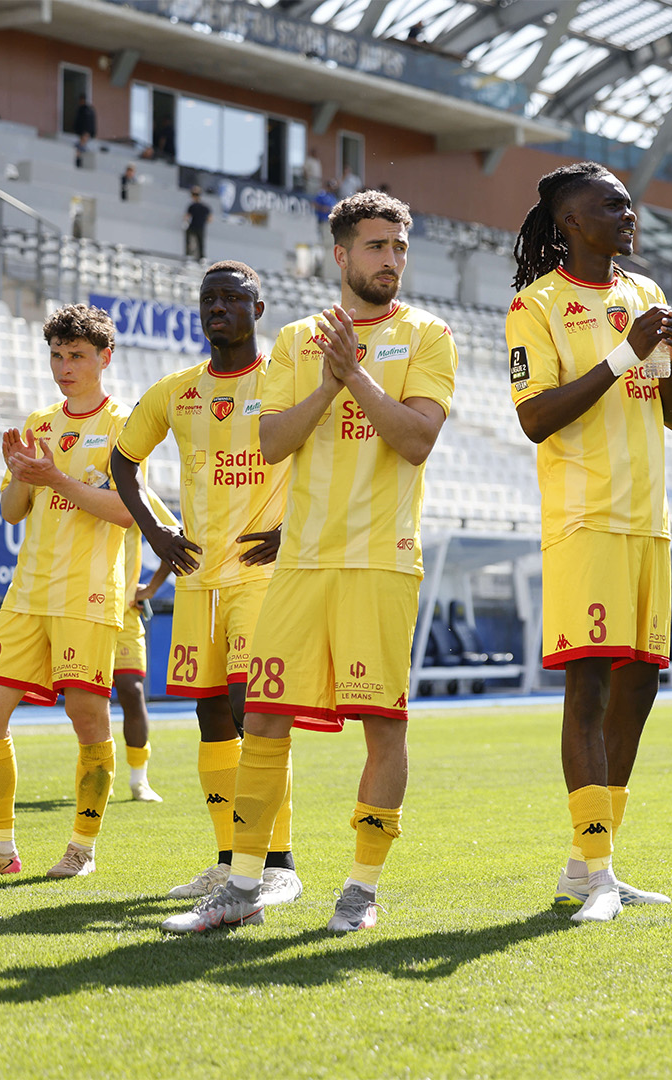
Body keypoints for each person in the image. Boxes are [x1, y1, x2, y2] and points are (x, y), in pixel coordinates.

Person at [160, 192, 457, 935]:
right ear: (342, 255)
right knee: (260, 719)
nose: (390, 259)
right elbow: (271, 443)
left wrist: (354, 377)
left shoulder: (428, 334)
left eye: (399, 247)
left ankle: (359, 892)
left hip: (380, 562)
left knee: (383, 728)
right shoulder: (297, 341)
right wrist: (328, 380)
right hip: (299, 565)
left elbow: (416, 440)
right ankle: (244, 886)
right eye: (376, 246)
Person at [505, 161, 672, 923]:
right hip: (584, 519)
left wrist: (664, 358)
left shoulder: (644, 295)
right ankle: (601, 868)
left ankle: (590, 865)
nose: (627, 214)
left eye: (627, 204)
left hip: (649, 521)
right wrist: (623, 357)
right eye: (609, 205)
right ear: (570, 223)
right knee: (586, 688)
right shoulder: (536, 306)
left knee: (639, 688)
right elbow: (536, 417)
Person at [113, 260, 305, 907]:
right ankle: (228, 859)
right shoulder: (177, 390)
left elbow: (330, 451)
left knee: (257, 711)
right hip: (199, 583)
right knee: (210, 715)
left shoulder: (283, 379)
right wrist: (157, 534)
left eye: (231, 297)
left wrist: (297, 527)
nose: (217, 307)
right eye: (208, 299)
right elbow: (122, 461)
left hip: (262, 577)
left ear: (258, 306)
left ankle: (276, 861)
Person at [0, 305, 135, 880]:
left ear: (104, 358)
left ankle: (82, 848)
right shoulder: (40, 423)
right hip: (27, 593)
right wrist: (21, 473)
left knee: (87, 717)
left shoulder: (125, 425)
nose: (64, 367)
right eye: (57, 355)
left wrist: (58, 480)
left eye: (76, 356)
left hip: (88, 594)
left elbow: (126, 511)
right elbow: (12, 513)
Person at [113, 491, 176, 803]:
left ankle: (139, 779)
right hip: (80, 613)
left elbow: (175, 535)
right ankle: (98, 770)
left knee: (132, 690)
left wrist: (151, 587)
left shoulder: (135, 488)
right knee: (86, 702)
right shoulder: (74, 484)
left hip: (124, 614)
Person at [184, 187, 211, 259]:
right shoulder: (205, 207)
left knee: (190, 242)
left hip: (193, 226)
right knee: (200, 243)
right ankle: (201, 257)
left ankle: (189, 256)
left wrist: (185, 222)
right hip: (200, 226)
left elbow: (187, 217)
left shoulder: (192, 206)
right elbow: (209, 219)